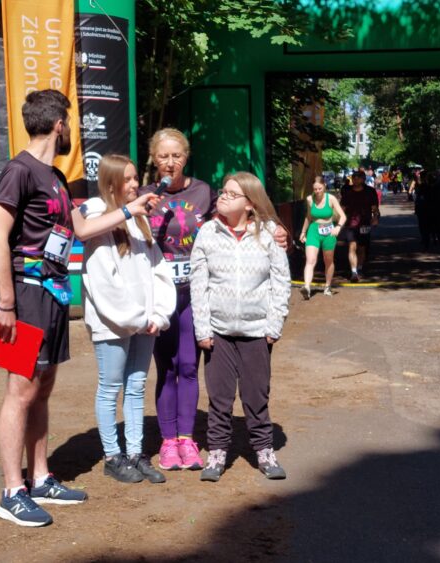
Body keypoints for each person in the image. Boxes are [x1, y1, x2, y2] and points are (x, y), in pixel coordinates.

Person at [0, 89, 159, 528]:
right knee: (20, 390)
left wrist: (131, 210)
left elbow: (80, 230)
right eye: (71, 124)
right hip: (25, 293)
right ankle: (12, 491)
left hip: (55, 293)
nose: (73, 132)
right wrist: (6, 302)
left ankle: (41, 478)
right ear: (59, 124)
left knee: (42, 388)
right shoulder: (19, 170)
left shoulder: (56, 177)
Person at [138, 128, 289, 472]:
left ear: (186, 157)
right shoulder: (145, 196)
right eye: (163, 156)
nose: (170, 162)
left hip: (195, 297)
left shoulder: (204, 192)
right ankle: (169, 441)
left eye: (177, 155)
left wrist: (278, 230)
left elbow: (243, 216)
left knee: (189, 367)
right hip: (159, 295)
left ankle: (188, 440)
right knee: (166, 368)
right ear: (154, 158)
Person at [80, 154, 176, 484]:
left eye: (136, 178)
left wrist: (158, 314)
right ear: (111, 184)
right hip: (113, 323)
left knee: (135, 387)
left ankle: (135, 454)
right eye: (128, 179)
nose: (136, 184)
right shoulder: (98, 215)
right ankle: (112, 457)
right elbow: (103, 279)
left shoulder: (139, 220)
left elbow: (157, 269)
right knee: (110, 388)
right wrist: (136, 318)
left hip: (145, 322)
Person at [189, 172, 291, 482]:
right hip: (218, 332)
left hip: (257, 332)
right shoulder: (208, 233)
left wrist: (274, 325)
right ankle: (217, 453)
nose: (223, 197)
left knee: (256, 396)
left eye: (232, 194)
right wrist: (203, 329)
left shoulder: (269, 234)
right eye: (223, 191)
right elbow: (199, 283)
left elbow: (281, 282)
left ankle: (264, 451)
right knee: (219, 398)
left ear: (249, 203)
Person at [299, 176, 347, 298]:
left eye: (320, 189)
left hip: (329, 231)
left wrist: (338, 227)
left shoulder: (331, 199)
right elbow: (308, 217)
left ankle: (327, 286)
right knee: (310, 260)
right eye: (315, 189)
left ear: (324, 186)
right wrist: (303, 232)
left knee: (328, 260)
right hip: (314, 231)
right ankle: (307, 287)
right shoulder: (310, 199)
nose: (317, 191)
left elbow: (343, 216)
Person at [340, 170, 380, 282]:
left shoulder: (370, 191)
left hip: (364, 223)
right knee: (352, 246)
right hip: (350, 223)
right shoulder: (347, 191)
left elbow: (374, 207)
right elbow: (342, 208)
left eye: (358, 178)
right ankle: (354, 272)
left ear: (363, 179)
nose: (356, 180)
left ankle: (360, 268)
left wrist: (375, 217)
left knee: (362, 248)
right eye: (354, 178)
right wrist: (338, 221)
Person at [414, 171, 440, 252]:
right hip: (435, 211)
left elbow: (420, 198)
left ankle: (427, 246)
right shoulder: (438, 187)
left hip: (428, 211)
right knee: (438, 231)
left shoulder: (425, 187)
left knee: (428, 231)